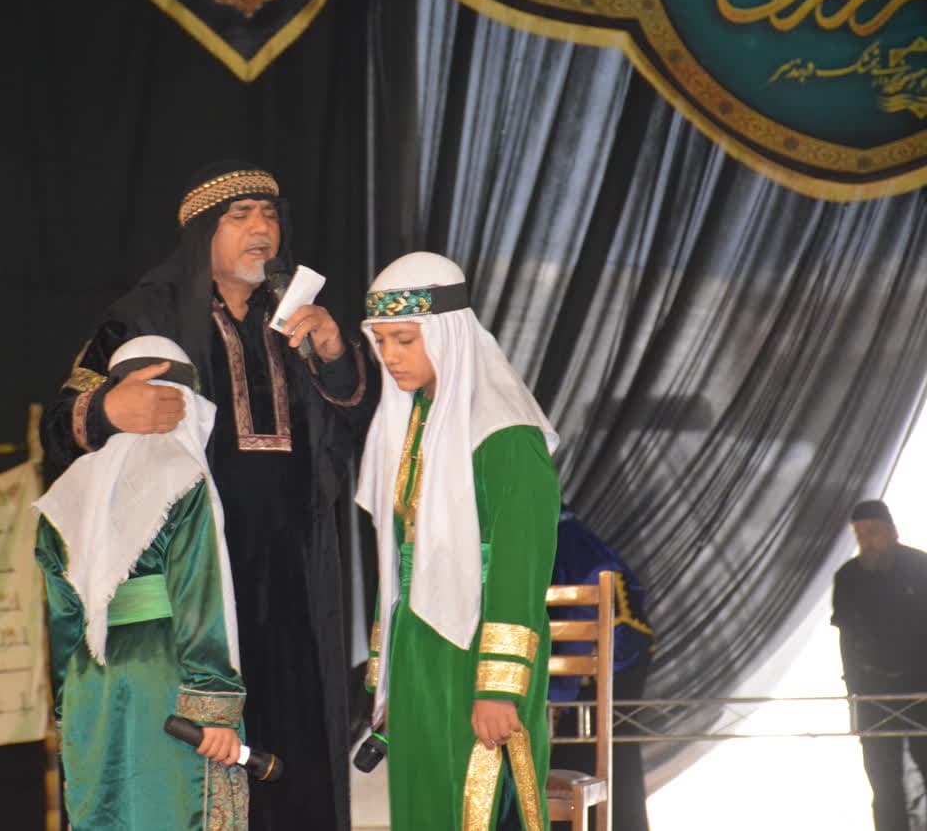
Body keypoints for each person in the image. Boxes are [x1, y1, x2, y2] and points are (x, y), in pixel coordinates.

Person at [40, 161, 376, 831]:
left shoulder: (297, 316)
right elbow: (60, 424)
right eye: (240, 216)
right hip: (198, 578)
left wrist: (337, 354)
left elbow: (358, 437)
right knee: (202, 761)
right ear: (202, 234)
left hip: (298, 569)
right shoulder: (146, 316)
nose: (261, 228)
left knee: (298, 741)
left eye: (270, 214)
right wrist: (110, 408)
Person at [356, 251, 560, 830]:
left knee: (474, 802)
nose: (390, 356)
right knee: (424, 804)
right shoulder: (416, 419)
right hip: (419, 644)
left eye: (404, 340)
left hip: (478, 645)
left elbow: (520, 565)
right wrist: (389, 673)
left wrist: (498, 686)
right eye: (381, 342)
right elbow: (399, 561)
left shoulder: (505, 433)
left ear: (447, 335)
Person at [34, 336, 246, 830]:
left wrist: (69, 711)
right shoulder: (182, 478)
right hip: (167, 681)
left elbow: (64, 619)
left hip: (91, 684)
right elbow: (199, 597)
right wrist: (214, 706)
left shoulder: (64, 495)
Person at [548, 506, 655, 831]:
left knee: (596, 760)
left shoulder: (566, 542)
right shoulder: (563, 532)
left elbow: (581, 614)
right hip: (607, 655)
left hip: (609, 659)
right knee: (607, 762)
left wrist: (557, 697)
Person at [832, 499, 927, 831]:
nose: (867, 540)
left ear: (891, 530)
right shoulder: (849, 577)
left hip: (921, 688)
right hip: (873, 693)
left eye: (872, 531)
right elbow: (846, 639)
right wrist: (854, 696)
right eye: (859, 534)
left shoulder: (920, 567)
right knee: (884, 783)